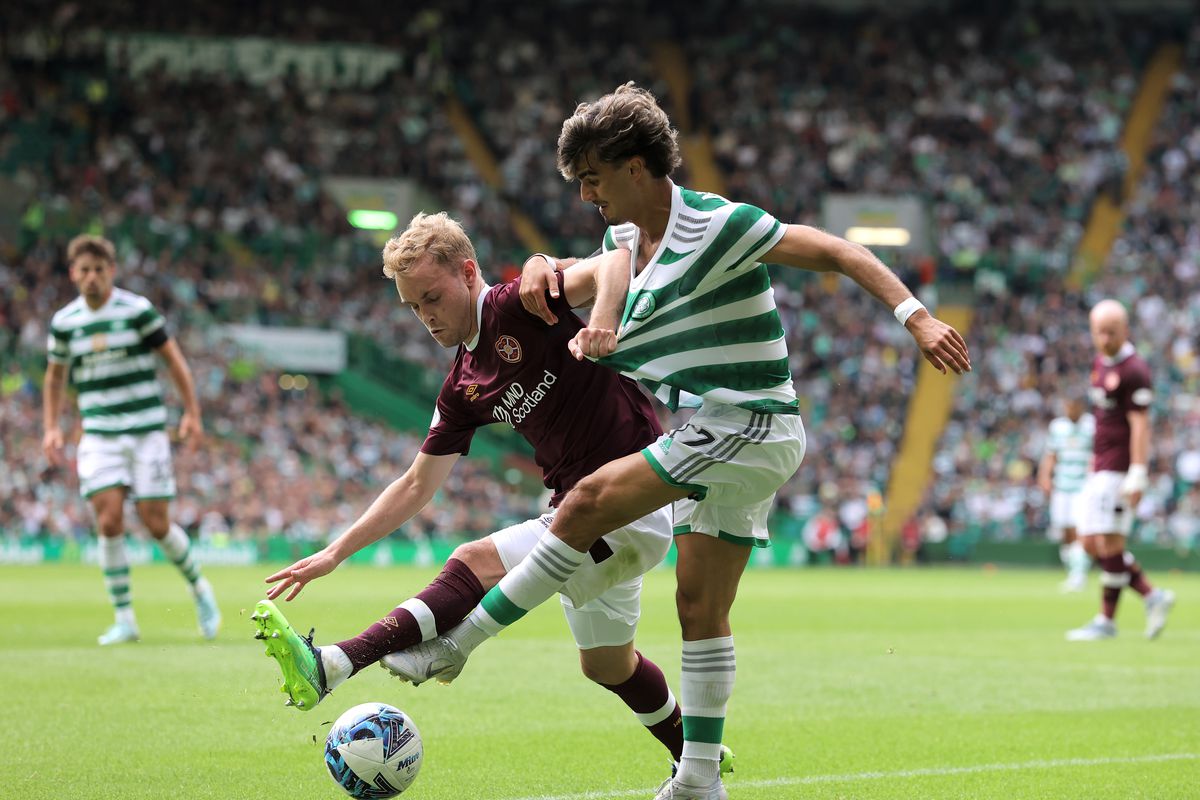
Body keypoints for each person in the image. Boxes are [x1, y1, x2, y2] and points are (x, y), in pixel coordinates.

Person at [383, 83, 971, 800]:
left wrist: (915, 317)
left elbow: (838, 251)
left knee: (587, 500)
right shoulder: (622, 244)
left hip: (751, 418)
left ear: (637, 166)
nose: (585, 194)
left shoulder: (718, 225)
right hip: (708, 429)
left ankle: (457, 644)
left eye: (593, 177)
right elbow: (563, 283)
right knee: (698, 609)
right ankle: (698, 780)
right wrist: (542, 271)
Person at [255, 212, 730, 777]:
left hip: (630, 499)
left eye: (432, 296)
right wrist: (336, 551)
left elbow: (615, 263)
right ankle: (697, 760)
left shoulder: (519, 303)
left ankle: (333, 664)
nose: (425, 316)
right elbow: (415, 483)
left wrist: (588, 307)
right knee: (606, 664)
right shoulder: (462, 384)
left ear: (468, 272)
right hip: (580, 517)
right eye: (413, 306)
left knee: (473, 561)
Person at [42, 234, 219, 645]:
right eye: (84, 271)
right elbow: (54, 377)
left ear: (111, 272)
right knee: (108, 519)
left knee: (155, 522)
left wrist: (191, 412)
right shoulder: (64, 322)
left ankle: (199, 588)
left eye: (99, 270)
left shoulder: (137, 311)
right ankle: (125, 619)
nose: (91, 278)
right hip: (99, 434)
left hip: (145, 433)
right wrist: (51, 425)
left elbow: (173, 361)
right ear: (73, 274)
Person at [1066, 299, 1175, 641]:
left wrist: (1138, 472)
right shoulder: (1100, 362)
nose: (1105, 338)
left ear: (1125, 330)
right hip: (1099, 466)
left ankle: (1106, 620)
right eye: (1099, 332)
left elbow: (1140, 425)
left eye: (1112, 332)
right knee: (1087, 542)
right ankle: (1151, 595)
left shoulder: (1134, 370)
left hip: (1118, 469)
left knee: (1109, 543)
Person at [1037, 396, 1094, 592]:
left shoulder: (1091, 426)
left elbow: (1098, 454)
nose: (1069, 410)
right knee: (1064, 529)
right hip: (1062, 485)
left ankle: (1079, 574)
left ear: (1080, 406)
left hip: (1083, 487)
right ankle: (1073, 569)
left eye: (1072, 406)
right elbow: (1051, 454)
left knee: (1079, 529)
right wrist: (1045, 476)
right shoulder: (1057, 427)